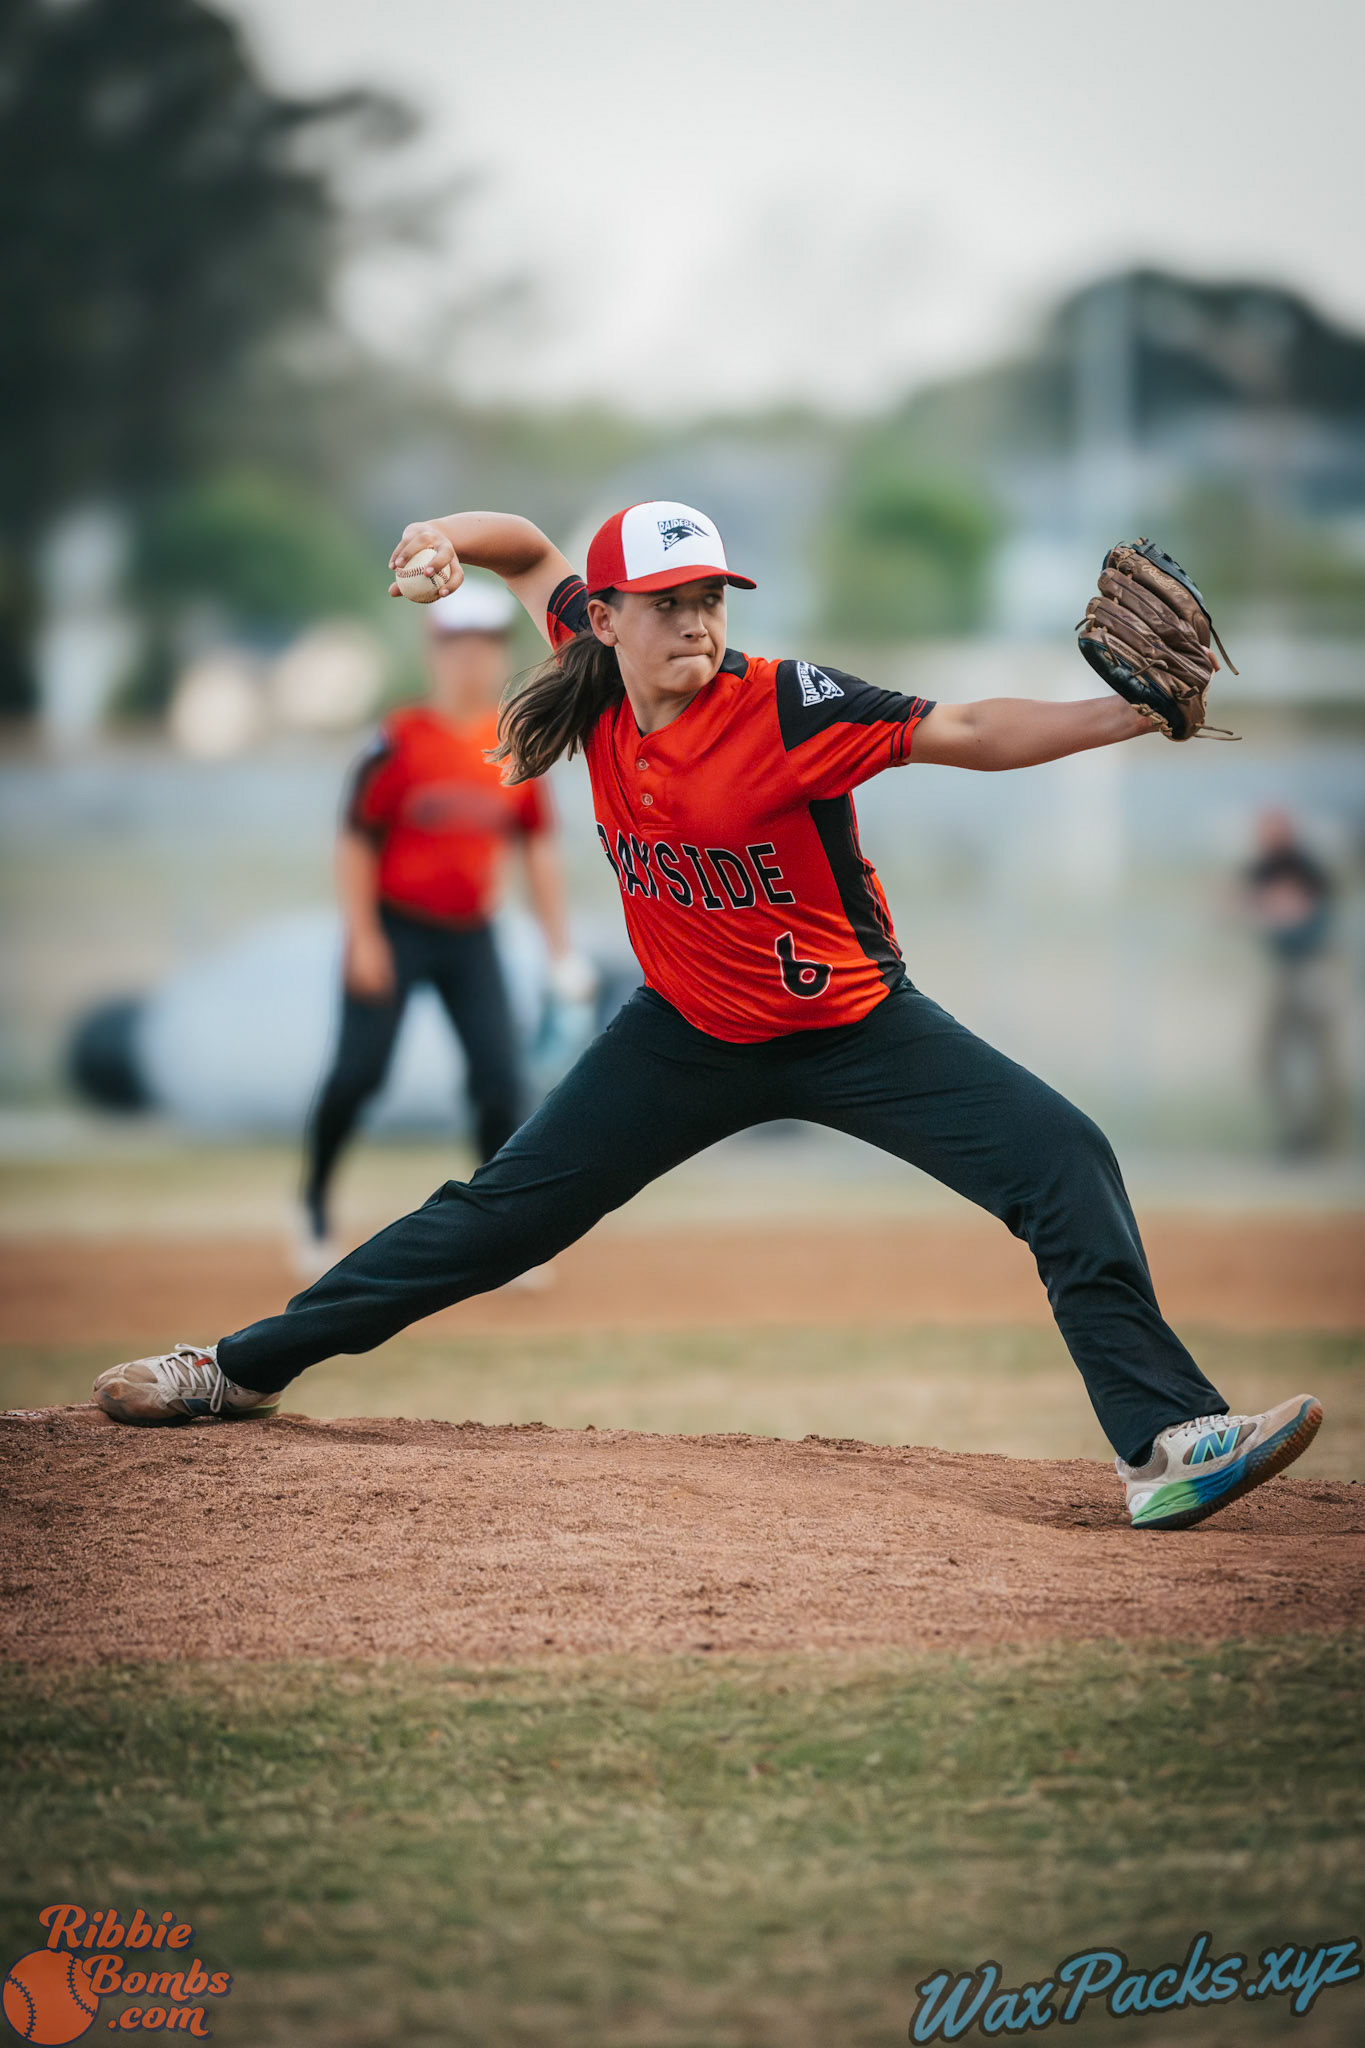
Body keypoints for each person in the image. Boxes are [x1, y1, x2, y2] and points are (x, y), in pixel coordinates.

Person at [93, 501, 1323, 1531]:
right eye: (668, 600)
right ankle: (237, 1369)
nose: (694, 619)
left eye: (711, 598)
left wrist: (1125, 712)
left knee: (1065, 1157)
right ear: (611, 617)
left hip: (855, 1027)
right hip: (681, 1032)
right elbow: (524, 546)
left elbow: (968, 729)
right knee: (490, 1222)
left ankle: (1162, 1446)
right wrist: (442, 537)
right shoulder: (593, 664)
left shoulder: (788, 705)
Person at [297, 574, 590, 1273]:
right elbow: (353, 839)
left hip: (470, 935)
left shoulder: (514, 744)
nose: (474, 658)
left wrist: (560, 953)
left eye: (488, 644)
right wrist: (363, 937)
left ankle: (505, 1235)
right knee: (358, 1074)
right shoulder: (399, 740)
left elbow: (536, 849)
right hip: (396, 929)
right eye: (460, 644)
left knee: (498, 1082)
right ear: (436, 651)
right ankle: (311, 1205)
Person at [1242, 807, 1345, 1158]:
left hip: (1314, 968)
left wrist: (1275, 907)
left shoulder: (1305, 865)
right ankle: (1295, 1136)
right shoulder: (1264, 867)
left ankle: (1326, 1140)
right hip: (1283, 971)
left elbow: (1302, 910)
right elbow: (1240, 902)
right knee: (1269, 1057)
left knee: (1322, 1058)